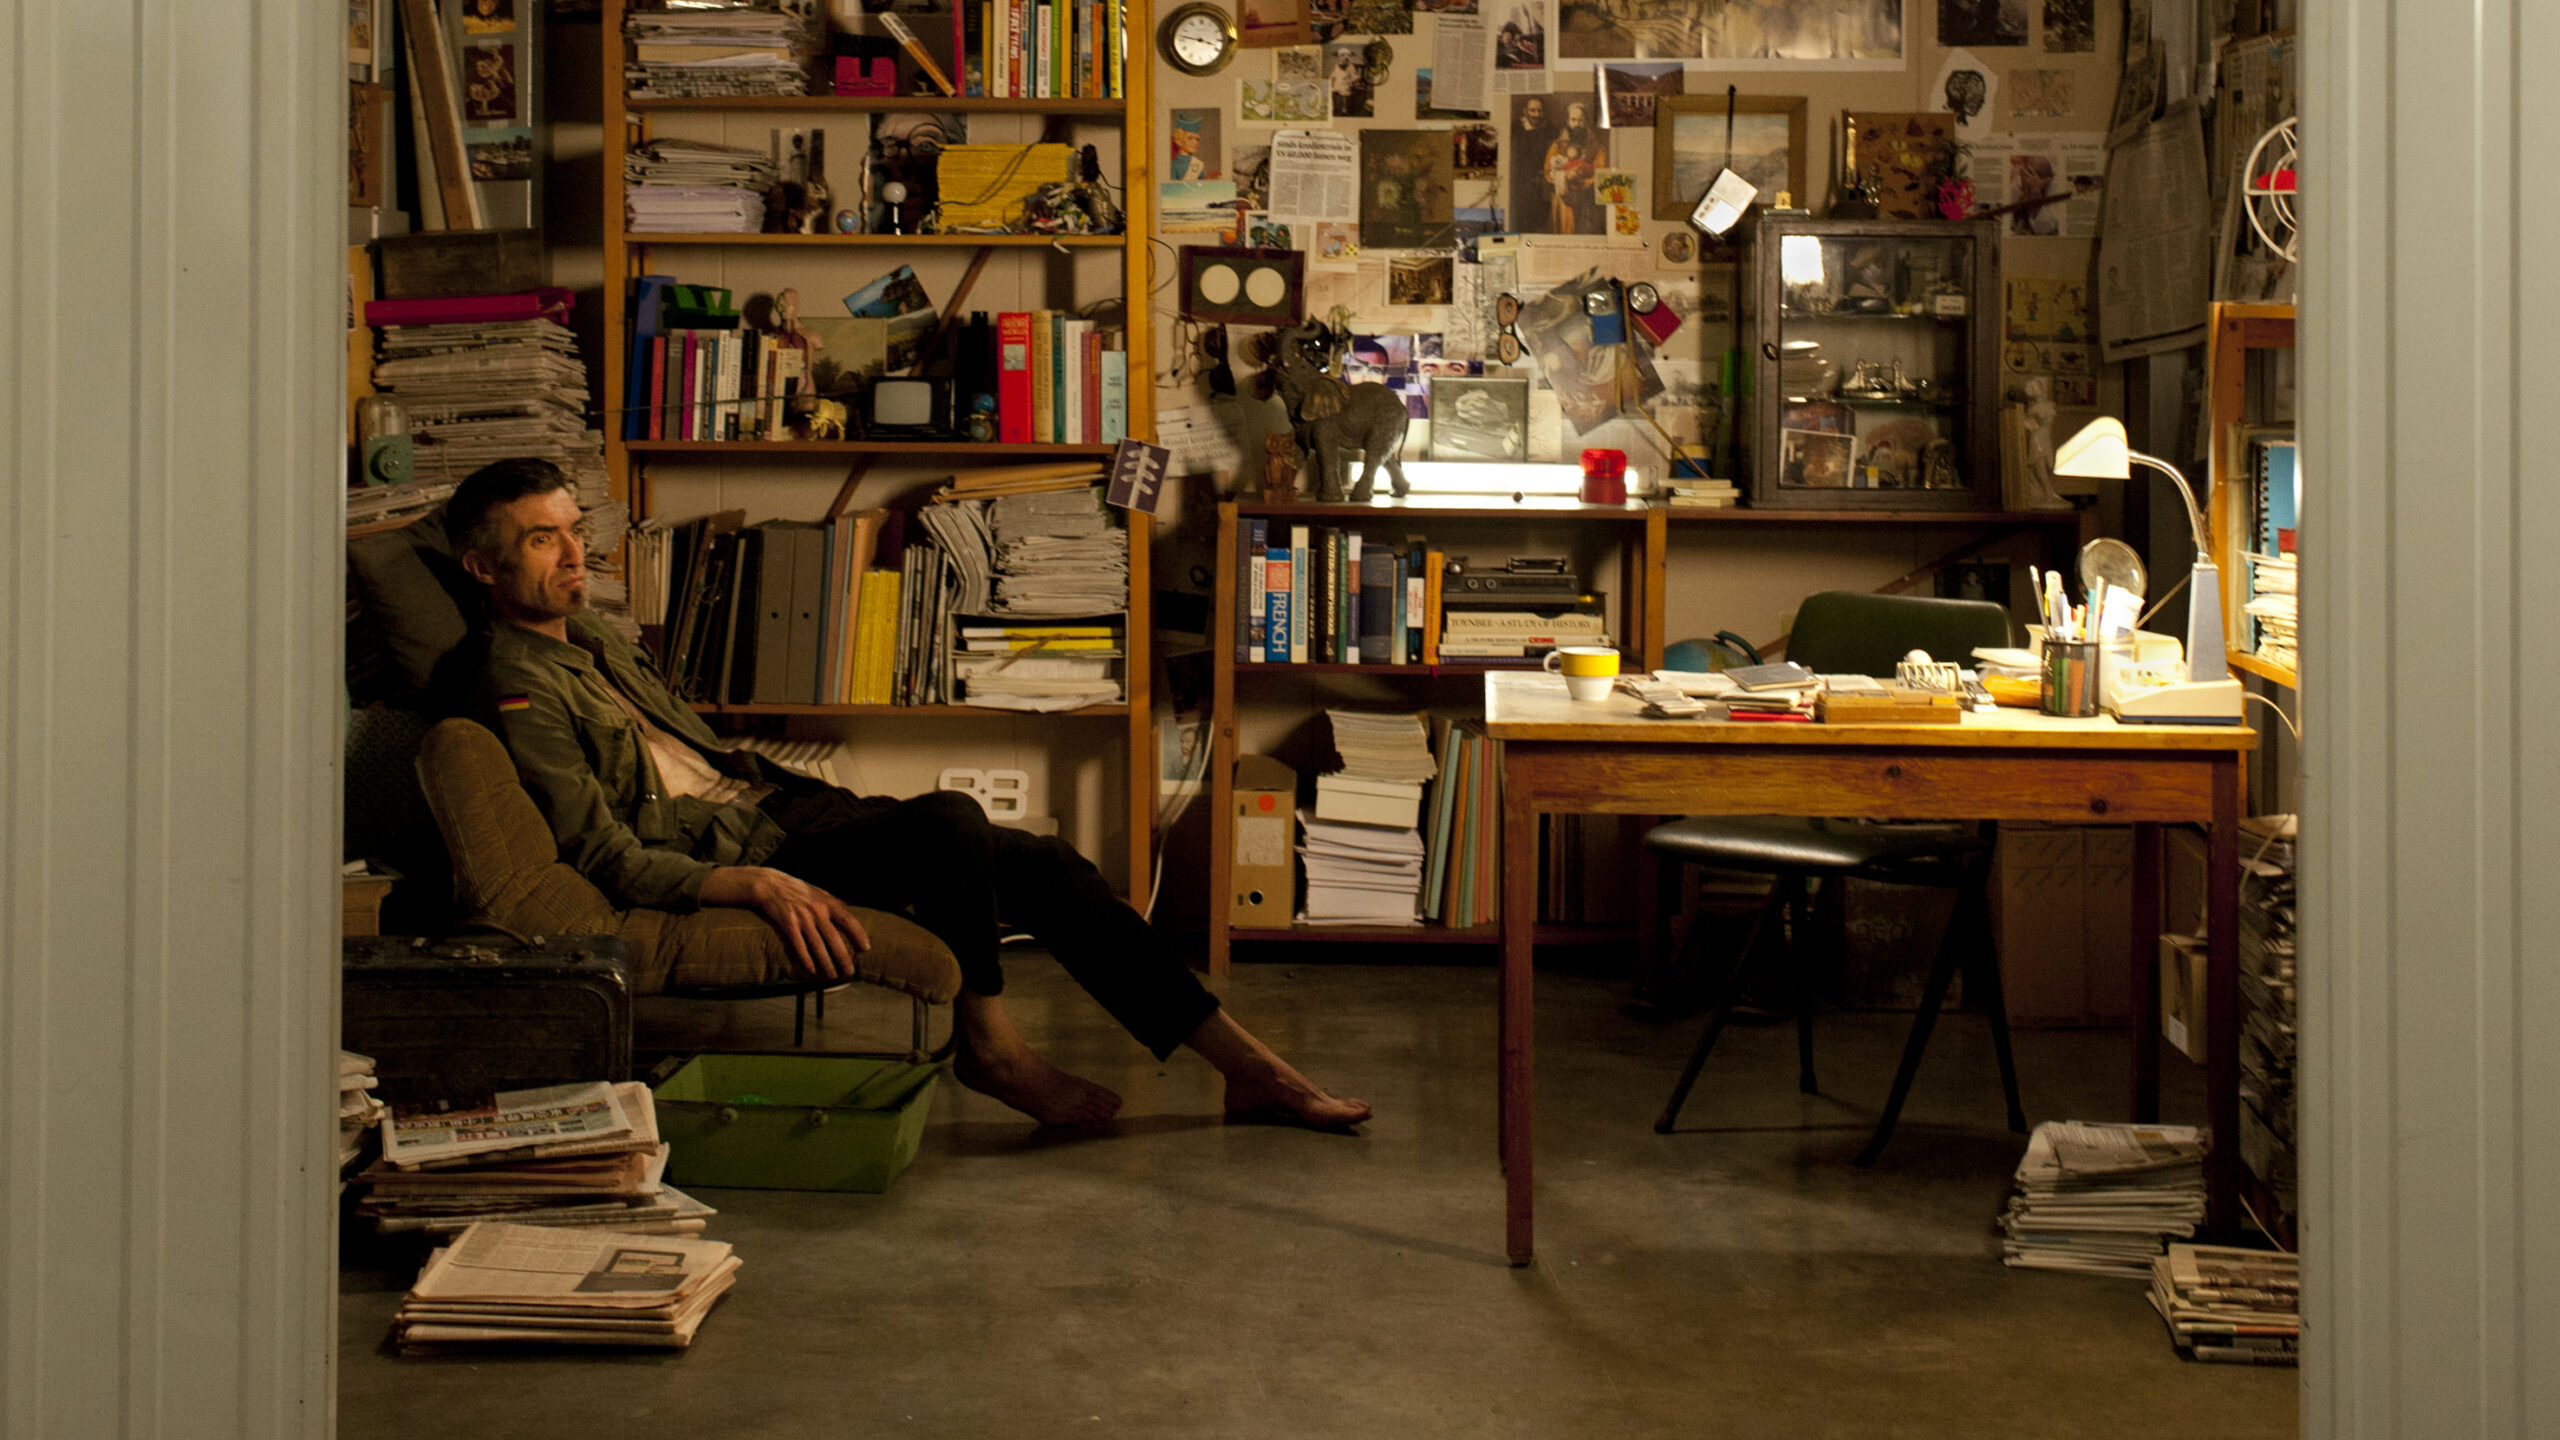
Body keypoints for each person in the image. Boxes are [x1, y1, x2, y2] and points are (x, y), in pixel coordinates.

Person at [435, 459, 1371, 1132]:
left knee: (1045, 864)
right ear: (482, 568)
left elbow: (692, 752)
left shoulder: (592, 639)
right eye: (541, 540)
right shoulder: (508, 684)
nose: (573, 554)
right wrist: (743, 884)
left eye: (574, 530)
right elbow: (599, 850)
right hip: (744, 850)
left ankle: (1248, 1068)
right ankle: (991, 1047)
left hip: (773, 804)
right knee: (950, 821)